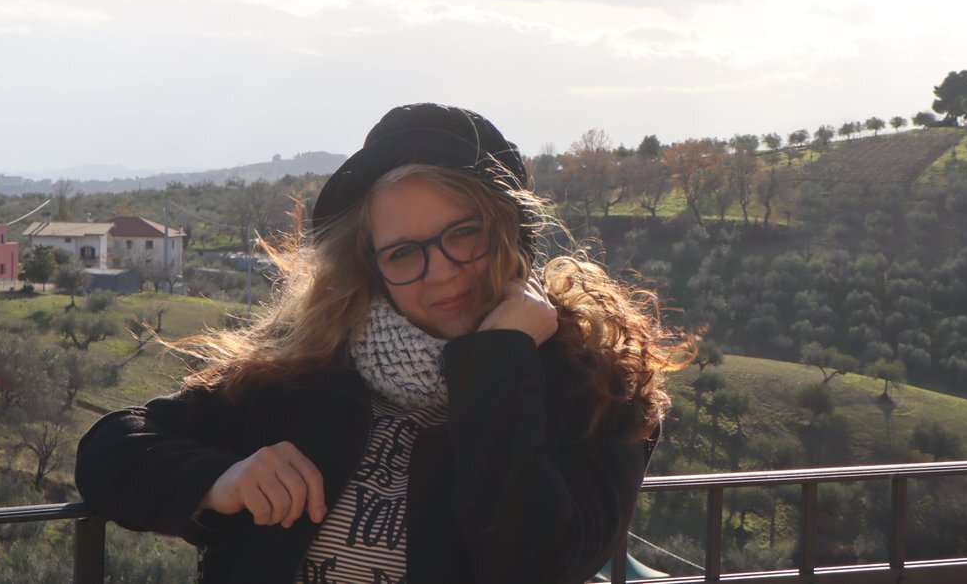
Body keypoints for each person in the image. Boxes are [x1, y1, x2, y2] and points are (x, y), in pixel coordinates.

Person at [75, 103, 687, 584]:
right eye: (403, 253)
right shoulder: (306, 371)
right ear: (371, 268)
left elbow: (536, 565)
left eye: (463, 234)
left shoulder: (596, 390)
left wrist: (499, 360)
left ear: (510, 233)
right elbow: (111, 451)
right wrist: (222, 480)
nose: (440, 272)